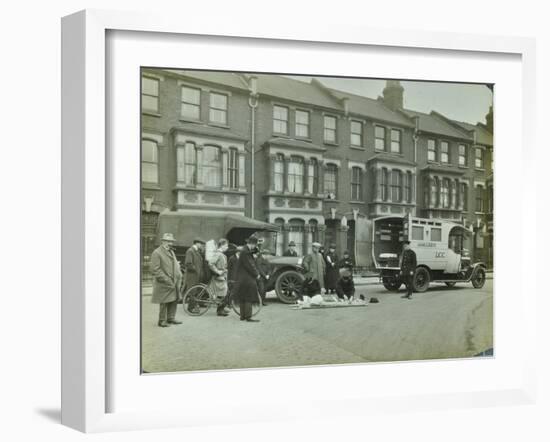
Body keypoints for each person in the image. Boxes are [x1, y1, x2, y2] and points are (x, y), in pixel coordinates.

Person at [150, 233, 184, 327]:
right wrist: (166, 279)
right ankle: (161, 321)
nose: (170, 243)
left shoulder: (171, 251)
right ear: (163, 241)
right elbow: (154, 269)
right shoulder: (157, 252)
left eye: (171, 241)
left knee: (173, 299)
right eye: (168, 241)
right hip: (164, 282)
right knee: (164, 301)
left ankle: (171, 318)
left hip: (174, 280)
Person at [233, 236, 261, 322]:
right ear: (252, 244)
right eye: (255, 245)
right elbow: (250, 265)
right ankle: (248, 317)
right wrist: (257, 274)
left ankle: (243, 316)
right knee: (249, 296)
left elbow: (254, 252)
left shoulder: (245, 250)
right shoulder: (246, 251)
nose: (255, 247)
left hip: (241, 278)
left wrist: (256, 249)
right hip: (246, 278)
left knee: (242, 297)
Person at [208, 238, 230, 317]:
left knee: (224, 292)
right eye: (226, 245)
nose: (227, 247)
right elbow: (211, 263)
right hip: (218, 277)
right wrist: (217, 271)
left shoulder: (221, 254)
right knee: (223, 292)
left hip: (222, 276)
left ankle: (221, 308)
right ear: (222, 245)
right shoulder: (218, 254)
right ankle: (220, 310)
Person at [183, 238, 206, 313]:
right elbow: (188, 263)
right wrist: (196, 270)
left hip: (196, 275)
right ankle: (190, 309)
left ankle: (193, 307)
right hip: (192, 276)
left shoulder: (196, 251)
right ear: (197, 243)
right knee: (192, 291)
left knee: (195, 291)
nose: (202, 246)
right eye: (201, 244)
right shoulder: (190, 251)